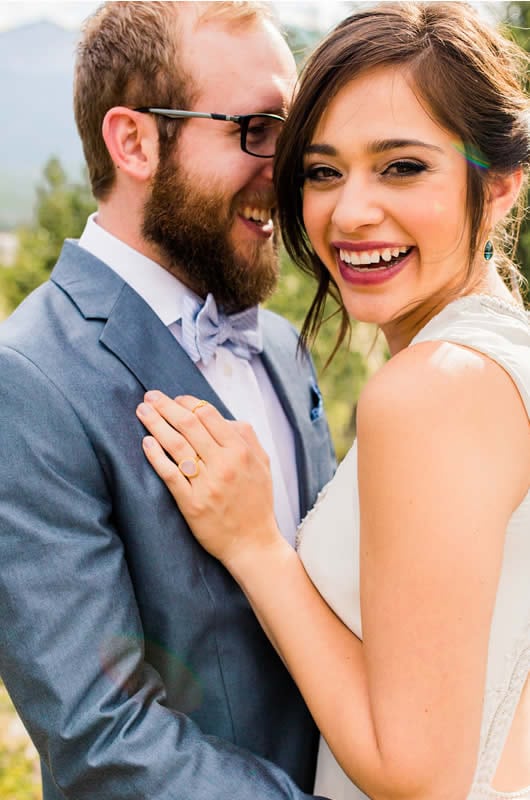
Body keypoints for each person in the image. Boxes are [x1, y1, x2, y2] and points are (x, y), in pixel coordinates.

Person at [136, 3, 530, 799]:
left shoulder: (430, 391)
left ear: (501, 187)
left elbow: (416, 773)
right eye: (321, 171)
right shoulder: (504, 361)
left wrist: (255, 547)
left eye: (402, 166)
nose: (349, 213)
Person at [0, 3, 337, 799]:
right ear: (134, 141)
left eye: (294, 133)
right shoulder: (29, 379)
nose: (285, 169)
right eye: (256, 130)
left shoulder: (283, 348)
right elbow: (101, 737)